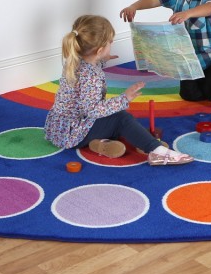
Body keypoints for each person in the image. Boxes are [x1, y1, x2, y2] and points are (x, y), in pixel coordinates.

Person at [44, 15, 194, 166]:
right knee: (122, 118)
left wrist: (101, 59)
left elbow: (87, 76)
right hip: (74, 135)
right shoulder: (90, 77)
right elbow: (93, 111)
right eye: (110, 42)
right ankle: (156, 150)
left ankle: (100, 144)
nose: (111, 44)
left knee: (115, 117)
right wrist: (124, 98)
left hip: (60, 129)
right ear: (99, 50)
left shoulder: (74, 60)